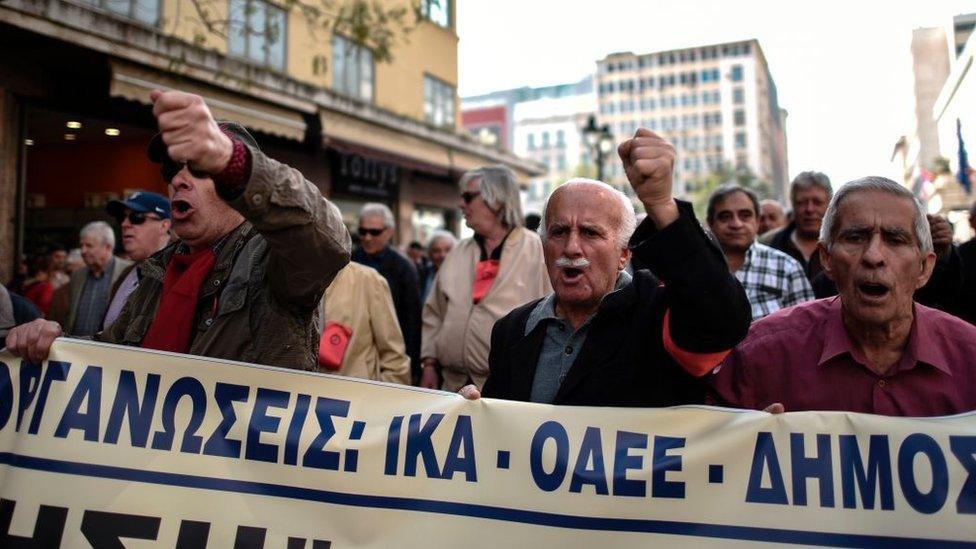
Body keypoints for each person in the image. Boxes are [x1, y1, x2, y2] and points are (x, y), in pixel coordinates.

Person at [6, 90, 351, 368]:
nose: (179, 179)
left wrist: (232, 161)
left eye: (200, 168)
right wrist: (55, 344)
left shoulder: (270, 262)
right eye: (172, 169)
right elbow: (112, 357)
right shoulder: (157, 273)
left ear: (236, 186)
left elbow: (328, 240)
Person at [463, 129, 751, 406]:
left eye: (590, 233)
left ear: (624, 254)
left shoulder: (659, 313)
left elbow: (722, 319)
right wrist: (474, 411)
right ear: (543, 244)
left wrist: (660, 204)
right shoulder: (513, 330)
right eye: (559, 231)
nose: (572, 247)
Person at [708, 176, 976, 416]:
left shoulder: (968, 355)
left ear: (924, 267)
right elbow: (705, 451)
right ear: (826, 259)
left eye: (895, 240)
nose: (873, 256)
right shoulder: (760, 356)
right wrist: (744, 441)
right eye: (856, 237)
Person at [421, 166, 551, 392]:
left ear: (497, 200)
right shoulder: (457, 252)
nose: (461, 203)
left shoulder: (538, 251)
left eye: (468, 197)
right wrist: (429, 363)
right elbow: (434, 313)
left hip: (508, 389)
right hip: (451, 386)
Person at [707, 184, 814, 321]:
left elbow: (807, 330)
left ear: (757, 221)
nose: (736, 224)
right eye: (725, 216)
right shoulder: (695, 269)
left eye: (745, 215)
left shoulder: (787, 268)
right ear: (710, 223)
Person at [352, 203, 422, 378]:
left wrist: (411, 369)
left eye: (374, 232)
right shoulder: (347, 259)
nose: (367, 237)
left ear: (389, 232)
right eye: (363, 231)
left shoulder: (404, 267)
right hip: (352, 352)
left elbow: (412, 320)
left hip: (390, 355)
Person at [318, 262, 411, 384]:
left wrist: (377, 397)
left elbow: (394, 359)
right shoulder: (292, 280)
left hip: (356, 396)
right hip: (302, 396)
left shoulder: (368, 279)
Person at [102, 190, 173, 329]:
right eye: (122, 217)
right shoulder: (125, 274)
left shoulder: (179, 275)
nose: (124, 224)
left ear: (164, 225)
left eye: (136, 217)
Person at [65, 221, 133, 336]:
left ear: (108, 247)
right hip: (75, 348)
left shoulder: (129, 272)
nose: (83, 251)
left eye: (89, 246)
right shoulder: (78, 276)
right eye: (81, 245)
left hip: (107, 349)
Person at [763, 171, 832, 281]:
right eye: (802, 202)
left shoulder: (842, 244)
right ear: (793, 204)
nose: (809, 209)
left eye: (817, 202)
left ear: (830, 204)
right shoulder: (769, 243)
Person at [419, 230, 456, 301]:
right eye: (436, 251)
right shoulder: (422, 274)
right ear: (429, 254)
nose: (442, 255)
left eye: (448, 250)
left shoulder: (465, 274)